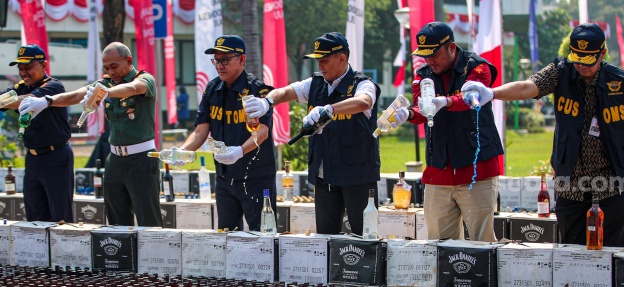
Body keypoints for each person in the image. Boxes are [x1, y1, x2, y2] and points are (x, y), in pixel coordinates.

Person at [462, 23, 624, 247]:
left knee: (612, 253)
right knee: (571, 252)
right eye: (577, 59)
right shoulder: (560, 72)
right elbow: (527, 87)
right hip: (570, 183)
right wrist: (492, 93)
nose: (581, 66)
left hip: (612, 183)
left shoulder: (620, 83)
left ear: (603, 54)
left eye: (588, 61)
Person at [245, 32, 381, 235]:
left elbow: (364, 101)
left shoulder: (361, 83)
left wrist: (330, 109)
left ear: (342, 59)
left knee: (364, 237)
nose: (320, 66)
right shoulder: (316, 83)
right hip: (324, 176)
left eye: (324, 61)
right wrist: (267, 102)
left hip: (358, 176)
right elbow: (285, 91)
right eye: (318, 61)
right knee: (325, 237)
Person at [20, 42, 162, 227]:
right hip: (115, 159)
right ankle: (122, 256)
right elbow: (78, 94)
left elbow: (134, 89)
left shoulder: (143, 78)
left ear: (128, 60)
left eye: (114, 66)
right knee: (116, 221)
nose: (111, 72)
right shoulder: (106, 82)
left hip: (141, 157)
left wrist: (105, 93)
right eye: (106, 68)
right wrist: (47, 101)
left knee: (148, 220)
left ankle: (151, 256)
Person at [392, 22, 503, 242]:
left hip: (476, 168)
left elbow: (473, 98)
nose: (429, 61)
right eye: (425, 55)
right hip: (438, 171)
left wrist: (447, 101)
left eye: (434, 54)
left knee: (483, 243)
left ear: (451, 47)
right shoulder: (422, 74)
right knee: (439, 245)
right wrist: (410, 114)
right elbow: (423, 110)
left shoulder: (477, 67)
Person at [172, 35, 276, 231]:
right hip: (224, 178)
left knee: (263, 236)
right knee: (226, 235)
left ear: (242, 60)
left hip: (256, 176)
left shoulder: (256, 90)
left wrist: (239, 151)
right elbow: (201, 131)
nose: (219, 65)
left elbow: (262, 131)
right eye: (216, 60)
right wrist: (183, 151)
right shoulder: (212, 89)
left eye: (225, 60)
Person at [0, 44, 73, 222]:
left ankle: (63, 251)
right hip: (33, 159)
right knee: (34, 218)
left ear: (44, 65)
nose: (24, 72)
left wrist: (6, 101)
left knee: (60, 218)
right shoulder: (22, 86)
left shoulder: (53, 86)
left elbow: (27, 100)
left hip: (55, 157)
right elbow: (3, 98)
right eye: (20, 68)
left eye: (28, 67)